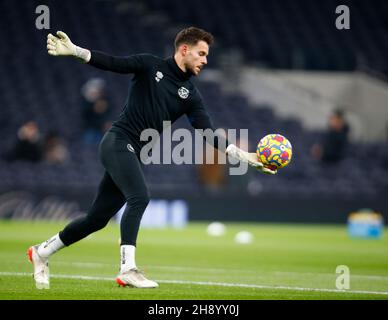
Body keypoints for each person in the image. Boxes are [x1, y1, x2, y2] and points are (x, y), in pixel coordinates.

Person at [28, 27, 276, 290]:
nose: (205, 60)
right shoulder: (149, 64)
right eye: (201, 54)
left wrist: (245, 157)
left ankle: (42, 252)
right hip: (118, 142)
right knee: (140, 197)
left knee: (96, 219)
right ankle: (128, 269)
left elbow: (209, 133)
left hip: (135, 153)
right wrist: (76, 51)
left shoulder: (191, 95)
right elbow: (113, 63)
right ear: (184, 49)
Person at [81, 78, 113, 144]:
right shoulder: (86, 104)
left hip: (103, 130)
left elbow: (108, 115)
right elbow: (88, 119)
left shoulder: (106, 101)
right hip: (91, 130)